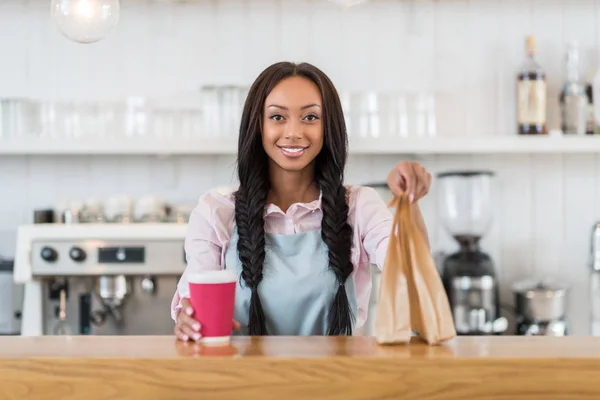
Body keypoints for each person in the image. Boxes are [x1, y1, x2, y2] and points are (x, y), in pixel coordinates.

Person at [172, 61, 432, 341]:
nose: (294, 132)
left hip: (339, 381)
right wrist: (190, 319)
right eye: (277, 117)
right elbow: (194, 304)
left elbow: (411, 270)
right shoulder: (216, 214)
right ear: (257, 125)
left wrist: (408, 201)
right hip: (242, 382)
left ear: (328, 126)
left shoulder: (360, 207)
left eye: (310, 117)